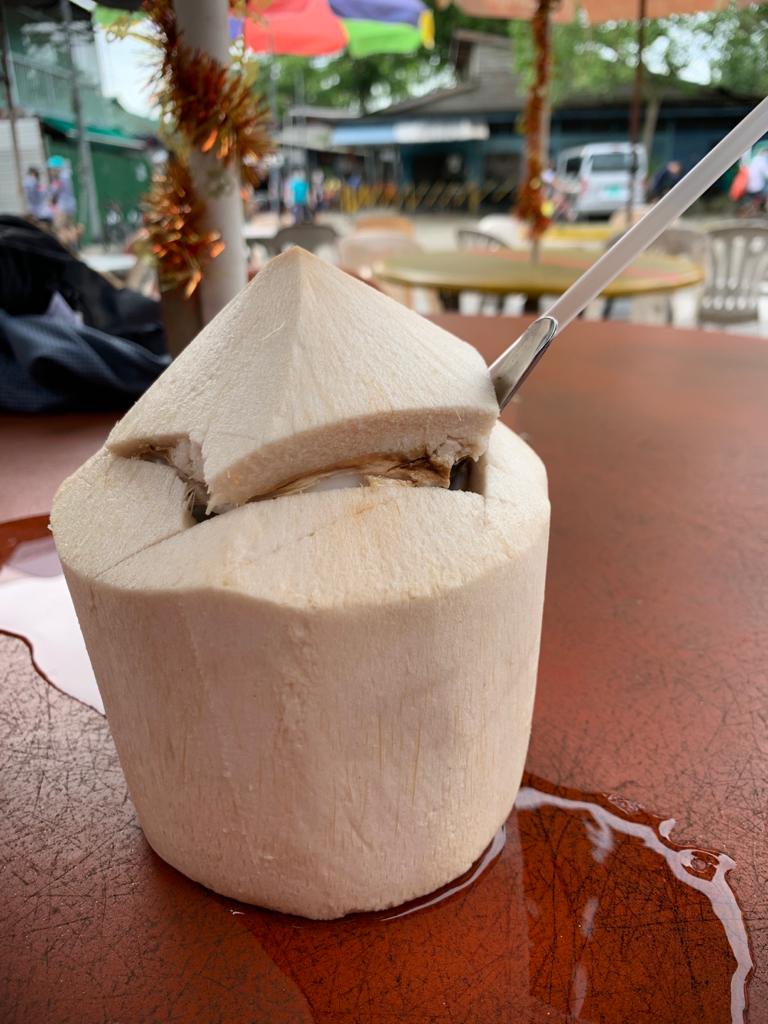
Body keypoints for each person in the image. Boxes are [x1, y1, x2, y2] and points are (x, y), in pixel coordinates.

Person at [744, 149, 768, 213]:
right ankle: (765, 207)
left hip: (748, 187)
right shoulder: (762, 160)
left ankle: (756, 206)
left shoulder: (754, 159)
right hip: (758, 187)